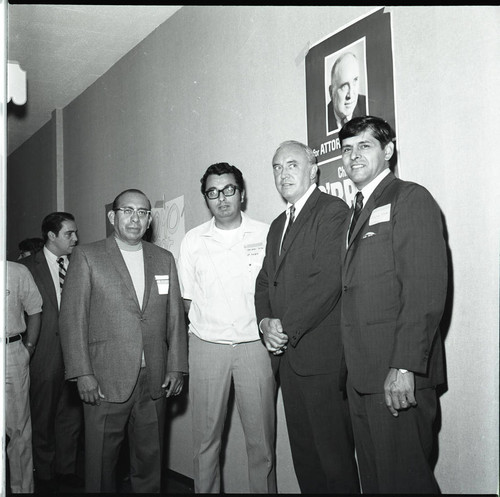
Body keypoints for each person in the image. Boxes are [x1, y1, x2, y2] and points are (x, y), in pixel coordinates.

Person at [339, 116, 447, 493]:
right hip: (363, 377)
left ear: (388, 150)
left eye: (364, 146)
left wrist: (403, 366)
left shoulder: (409, 197)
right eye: (347, 149)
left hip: (398, 375)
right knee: (377, 484)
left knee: (404, 484)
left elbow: (424, 291)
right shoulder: (355, 211)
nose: (353, 156)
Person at [59, 188, 188, 493]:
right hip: (104, 379)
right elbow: (71, 319)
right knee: (102, 465)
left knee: (150, 462)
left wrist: (177, 366)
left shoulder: (163, 259)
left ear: (149, 220)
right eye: (127, 211)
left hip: (154, 379)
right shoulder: (87, 256)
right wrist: (82, 373)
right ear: (112, 217)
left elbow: (174, 317)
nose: (135, 218)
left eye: (142, 212)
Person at [255, 141, 360, 493]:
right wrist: (264, 322)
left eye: (291, 165)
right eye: (276, 167)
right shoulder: (276, 225)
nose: (283, 174)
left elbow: (327, 279)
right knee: (305, 458)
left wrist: (283, 326)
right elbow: (264, 281)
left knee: (334, 460)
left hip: (322, 359)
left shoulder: (332, 210)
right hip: (288, 360)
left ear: (313, 170)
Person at [178, 163, 276, 493]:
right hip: (208, 348)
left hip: (255, 347)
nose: (222, 198)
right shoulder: (193, 240)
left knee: (261, 444)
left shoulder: (266, 234)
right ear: (206, 198)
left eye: (229, 190)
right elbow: (188, 301)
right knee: (206, 443)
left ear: (242, 193)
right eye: (213, 192)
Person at [19, 212, 84, 492]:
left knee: (71, 417)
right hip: (43, 354)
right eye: (69, 233)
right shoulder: (26, 268)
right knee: (42, 415)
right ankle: (43, 472)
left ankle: (66, 469)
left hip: (76, 354)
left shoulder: (81, 262)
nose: (76, 238)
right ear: (52, 236)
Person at [5, 261, 42, 493]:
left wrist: (28, 348)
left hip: (11, 352)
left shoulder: (17, 272)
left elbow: (35, 311)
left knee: (18, 431)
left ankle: (22, 491)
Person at [327, 52, 367, 133]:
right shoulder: (322, 119)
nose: (350, 95)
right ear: (331, 92)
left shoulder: (368, 106)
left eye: (355, 81)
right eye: (344, 86)